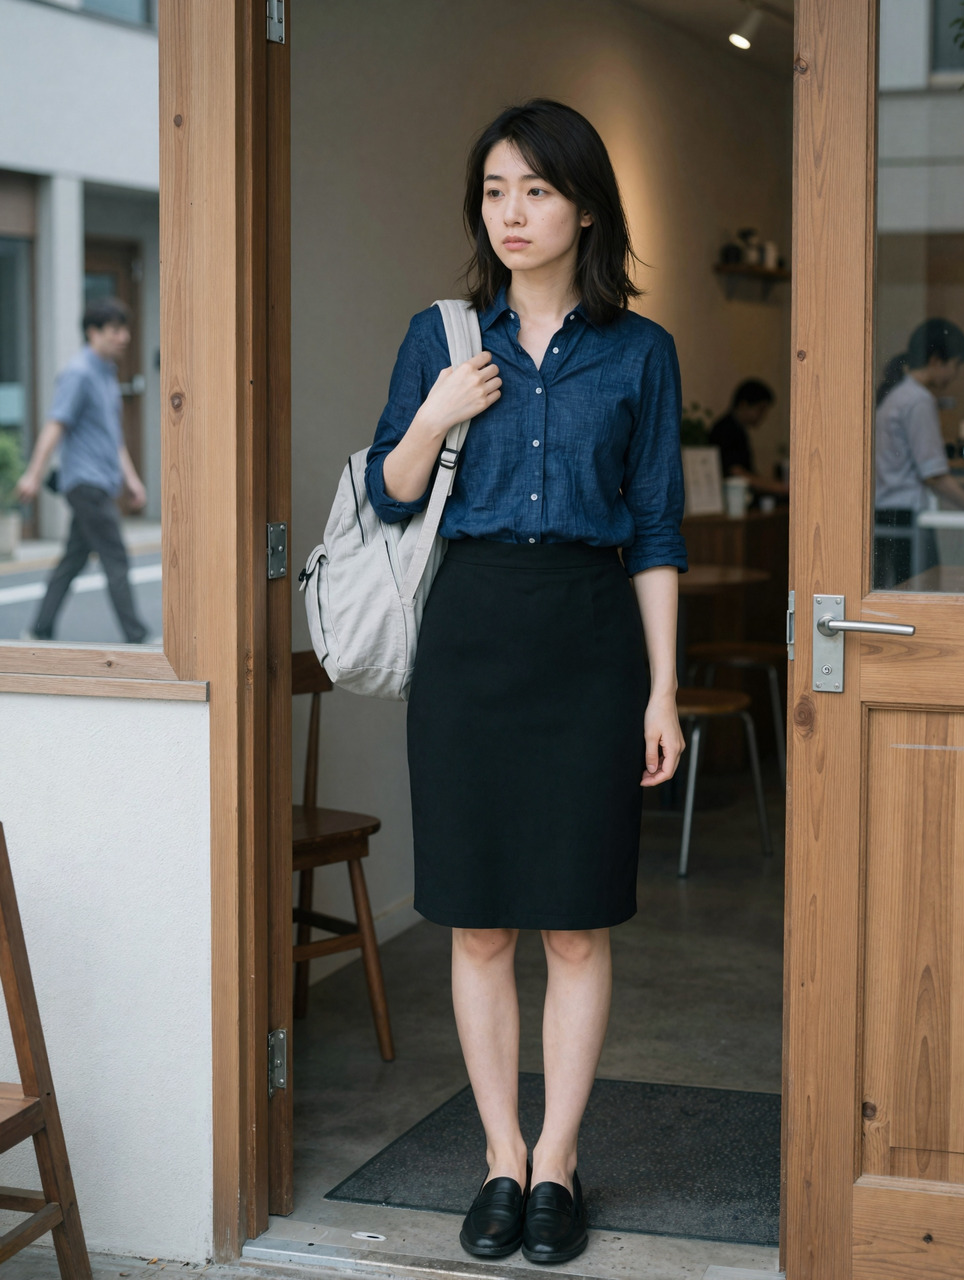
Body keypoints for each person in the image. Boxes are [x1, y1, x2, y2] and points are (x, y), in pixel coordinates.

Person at [365, 100, 686, 1266]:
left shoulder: (640, 352)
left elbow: (654, 528)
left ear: (584, 206)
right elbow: (393, 495)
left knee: (578, 922)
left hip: (591, 634)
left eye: (536, 191)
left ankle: (558, 1162)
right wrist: (437, 414)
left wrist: (660, 691)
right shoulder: (440, 338)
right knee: (481, 919)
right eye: (495, 189)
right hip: (473, 636)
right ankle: (499, 1153)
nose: (511, 211)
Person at [16, 297, 149, 643]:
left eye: (125, 329)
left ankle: (39, 629)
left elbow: (113, 438)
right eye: (115, 329)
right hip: (84, 481)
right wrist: (33, 473)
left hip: (101, 482)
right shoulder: (78, 373)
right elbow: (55, 424)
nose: (124, 336)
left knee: (73, 559)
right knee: (115, 555)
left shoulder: (106, 374)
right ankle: (136, 635)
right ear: (93, 332)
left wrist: (132, 480)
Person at [874, 318, 964, 588]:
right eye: (956, 365)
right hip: (906, 517)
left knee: (893, 594)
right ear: (937, 360)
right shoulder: (918, 399)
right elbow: (934, 475)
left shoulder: (895, 395)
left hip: (886, 513)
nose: (955, 374)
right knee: (916, 595)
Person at [708, 378, 788, 498]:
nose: (763, 415)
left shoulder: (738, 429)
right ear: (743, 405)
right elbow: (737, 472)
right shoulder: (726, 429)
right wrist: (778, 487)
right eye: (760, 409)